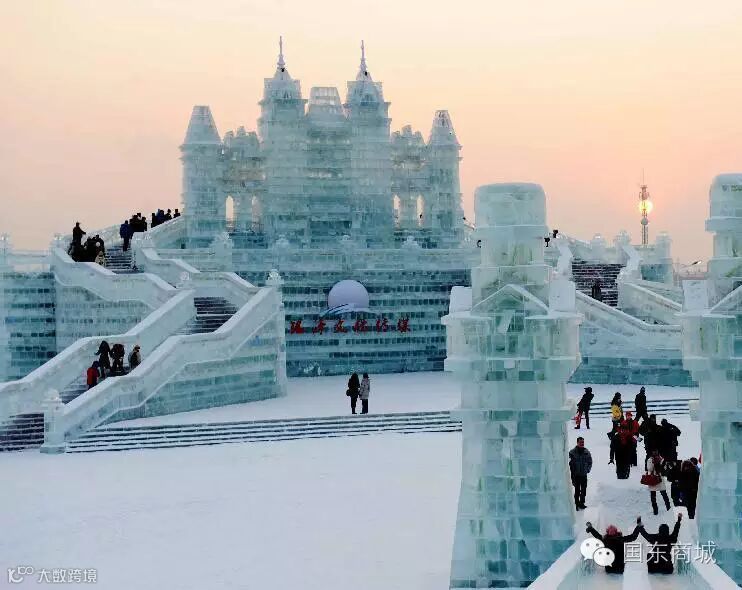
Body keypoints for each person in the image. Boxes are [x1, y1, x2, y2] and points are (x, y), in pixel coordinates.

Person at [569, 437, 592, 510]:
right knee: (577, 490)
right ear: (577, 442)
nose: (582, 443)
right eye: (580, 442)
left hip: (584, 475)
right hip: (576, 475)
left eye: (583, 442)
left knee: (583, 490)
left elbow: (590, 462)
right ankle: (576, 504)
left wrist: (587, 470)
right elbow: (569, 464)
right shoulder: (572, 452)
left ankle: (582, 503)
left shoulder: (586, 452)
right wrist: (572, 474)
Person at [646, 449, 671, 515]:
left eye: (655, 451)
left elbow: (649, 469)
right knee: (663, 495)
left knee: (654, 496)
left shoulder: (651, 459)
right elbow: (664, 468)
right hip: (657, 478)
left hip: (653, 479)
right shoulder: (660, 459)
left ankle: (656, 511)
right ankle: (668, 508)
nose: (655, 452)